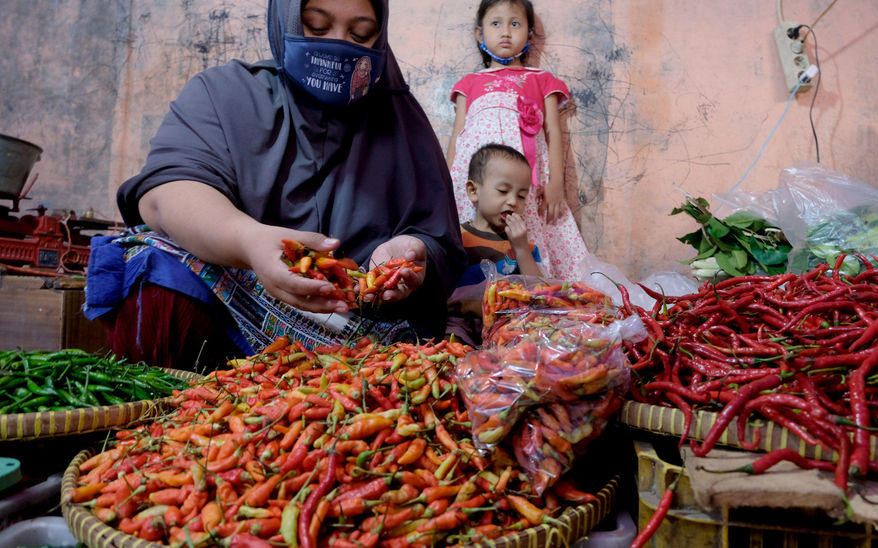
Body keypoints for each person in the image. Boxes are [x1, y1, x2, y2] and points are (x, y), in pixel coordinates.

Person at [84, 0, 466, 371]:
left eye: (361, 32)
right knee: (156, 260)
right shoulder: (223, 94)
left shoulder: (403, 124)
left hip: (359, 335)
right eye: (316, 26)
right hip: (236, 314)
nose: (337, 44)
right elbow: (167, 192)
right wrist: (249, 243)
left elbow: (439, 243)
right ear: (284, 19)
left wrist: (412, 255)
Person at [446, 0, 589, 281]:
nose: (506, 32)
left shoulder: (542, 80)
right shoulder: (469, 83)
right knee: (469, 237)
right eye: (496, 23)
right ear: (480, 34)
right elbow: (458, 137)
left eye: (515, 23)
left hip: (525, 180)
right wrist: (446, 184)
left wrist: (556, 183)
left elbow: (553, 132)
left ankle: (527, 284)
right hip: (476, 176)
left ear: (530, 34)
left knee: (527, 227)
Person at [446, 143, 543, 346]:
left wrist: (521, 249)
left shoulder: (526, 246)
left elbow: (539, 293)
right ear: (473, 191)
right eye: (503, 191)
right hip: (457, 323)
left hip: (506, 328)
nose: (513, 201)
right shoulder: (456, 236)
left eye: (521, 195)